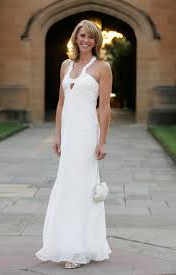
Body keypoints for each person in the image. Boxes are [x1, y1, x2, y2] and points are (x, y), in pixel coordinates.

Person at [35, 19, 112, 269]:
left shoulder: (102, 67)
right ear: (75, 38)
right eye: (82, 36)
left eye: (91, 37)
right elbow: (60, 103)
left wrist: (102, 141)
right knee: (67, 185)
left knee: (81, 187)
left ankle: (78, 249)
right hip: (68, 134)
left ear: (96, 41)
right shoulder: (65, 65)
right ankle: (65, 242)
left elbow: (105, 107)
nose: (86, 40)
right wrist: (57, 136)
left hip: (87, 133)